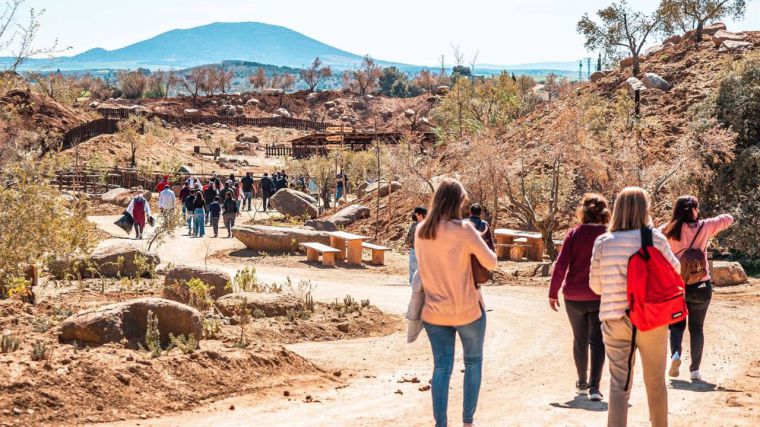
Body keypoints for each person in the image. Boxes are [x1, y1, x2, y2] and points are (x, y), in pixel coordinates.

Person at [589, 187, 680, 427]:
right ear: (645, 209)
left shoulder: (603, 242)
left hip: (615, 320)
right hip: (651, 319)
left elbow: (595, 286)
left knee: (619, 385)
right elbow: (675, 271)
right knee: (655, 383)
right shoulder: (655, 239)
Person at [414, 178, 497, 427]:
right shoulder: (464, 230)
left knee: (441, 368)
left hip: (433, 312)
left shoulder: (421, 231)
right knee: (472, 363)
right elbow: (491, 262)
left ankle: (441, 424)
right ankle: (467, 421)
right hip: (467, 311)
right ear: (456, 202)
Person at [662, 195, 734, 382]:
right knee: (697, 328)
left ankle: (675, 355)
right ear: (694, 210)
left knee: (676, 326)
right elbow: (728, 218)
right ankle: (695, 371)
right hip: (701, 285)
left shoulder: (667, 230)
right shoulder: (705, 226)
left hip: (677, 286)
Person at [549, 193, 611, 401]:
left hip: (574, 296)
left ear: (583, 212)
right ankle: (595, 387)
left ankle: (581, 383)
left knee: (580, 339)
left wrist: (552, 292)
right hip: (599, 295)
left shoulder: (574, 234)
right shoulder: (609, 235)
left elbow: (561, 265)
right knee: (598, 340)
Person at [405, 206, 427, 286]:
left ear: (418, 214)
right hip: (427, 253)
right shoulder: (429, 226)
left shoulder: (414, 225)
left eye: (415, 213)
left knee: (413, 275)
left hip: (415, 251)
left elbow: (407, 241)